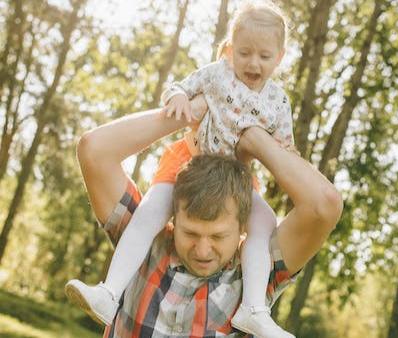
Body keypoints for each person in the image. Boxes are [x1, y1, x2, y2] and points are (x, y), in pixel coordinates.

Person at [66, 2, 300, 337]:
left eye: (264, 56)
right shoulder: (218, 74)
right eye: (245, 53)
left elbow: (286, 146)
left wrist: (265, 145)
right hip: (188, 161)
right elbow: (181, 86)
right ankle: (109, 292)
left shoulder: (277, 101)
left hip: (235, 177)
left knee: (264, 223)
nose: (252, 63)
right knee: (149, 213)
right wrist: (183, 105)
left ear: (278, 57)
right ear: (231, 50)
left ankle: (253, 309)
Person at [66, 96, 342, 337]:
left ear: (242, 226)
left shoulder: (258, 272)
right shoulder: (143, 243)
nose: (202, 250)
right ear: (174, 216)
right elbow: (94, 149)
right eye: (190, 233)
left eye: (219, 236)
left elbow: (324, 205)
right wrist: (191, 112)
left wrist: (255, 139)